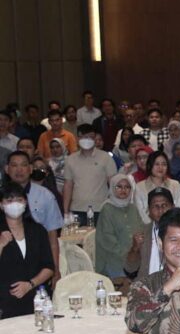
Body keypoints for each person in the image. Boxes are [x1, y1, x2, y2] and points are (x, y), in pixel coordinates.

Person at [4, 150, 62, 280]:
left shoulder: (46, 196)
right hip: (7, 264)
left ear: (30, 169)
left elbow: (52, 237)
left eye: (23, 165)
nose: (19, 170)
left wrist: (56, 270)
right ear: (7, 169)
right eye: (14, 165)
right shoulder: (2, 197)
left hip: (39, 261)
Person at [0, 183, 54, 318]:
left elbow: (48, 266)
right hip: (5, 300)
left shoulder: (37, 230)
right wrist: (1, 245)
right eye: (9, 200)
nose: (15, 204)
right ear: (1, 205)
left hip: (36, 297)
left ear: (25, 203)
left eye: (19, 200)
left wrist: (30, 285)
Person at [62, 124, 117, 224]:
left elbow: (113, 183)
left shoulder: (106, 158)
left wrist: (115, 206)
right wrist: (65, 211)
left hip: (101, 208)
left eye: (90, 137)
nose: (87, 140)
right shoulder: (70, 160)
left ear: (95, 138)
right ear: (78, 138)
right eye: (83, 137)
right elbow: (68, 186)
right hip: (77, 208)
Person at [94, 173, 143, 280]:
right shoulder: (107, 209)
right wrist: (127, 254)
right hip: (113, 259)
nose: (123, 190)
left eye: (127, 187)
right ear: (112, 188)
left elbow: (141, 228)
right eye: (119, 187)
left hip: (134, 258)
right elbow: (107, 239)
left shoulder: (132, 208)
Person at [124, 188, 176, 278]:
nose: (160, 210)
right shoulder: (142, 232)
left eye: (164, 205)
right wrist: (135, 248)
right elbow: (129, 268)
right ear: (149, 211)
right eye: (155, 206)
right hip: (147, 287)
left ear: (173, 207)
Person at [133, 151, 180, 223]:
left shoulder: (175, 184)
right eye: (157, 164)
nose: (160, 167)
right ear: (150, 165)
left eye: (164, 164)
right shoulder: (140, 187)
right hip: (148, 227)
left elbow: (179, 209)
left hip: (171, 225)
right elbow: (140, 213)